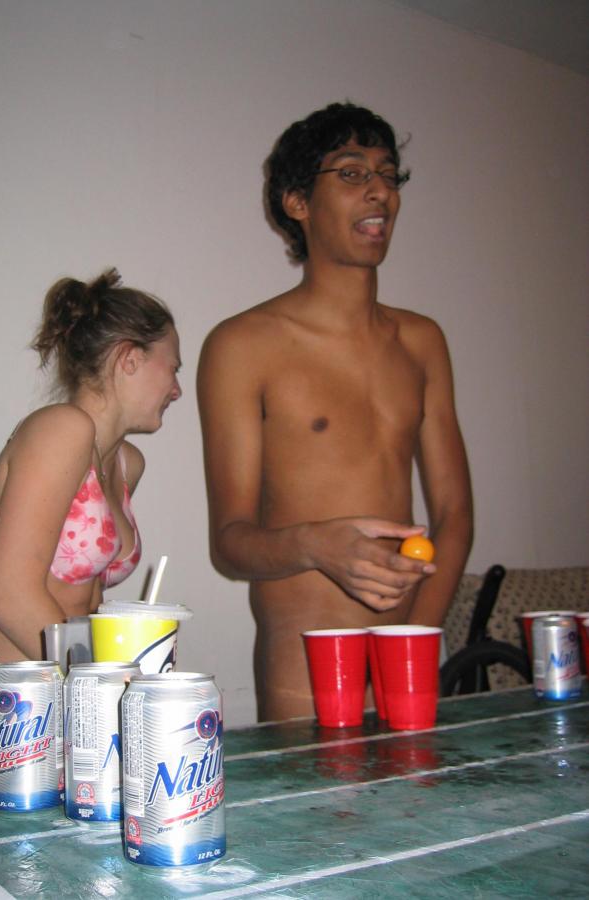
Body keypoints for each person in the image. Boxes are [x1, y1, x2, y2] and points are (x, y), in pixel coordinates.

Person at [197, 102, 473, 720]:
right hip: (306, 666)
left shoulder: (422, 341)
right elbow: (231, 543)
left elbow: (455, 513)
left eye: (388, 174)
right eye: (351, 173)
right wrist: (317, 546)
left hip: (409, 658)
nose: (380, 191)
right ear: (298, 201)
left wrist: (416, 640)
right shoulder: (242, 345)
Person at [0, 269, 181, 662]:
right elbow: (7, 596)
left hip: (67, 688)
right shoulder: (60, 431)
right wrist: (100, 682)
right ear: (130, 359)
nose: (177, 390)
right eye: (173, 368)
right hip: (12, 695)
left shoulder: (126, 464)